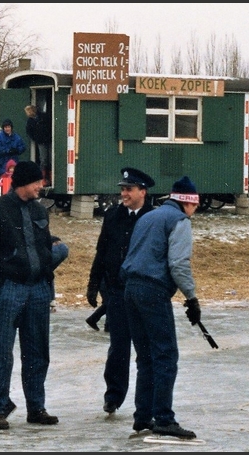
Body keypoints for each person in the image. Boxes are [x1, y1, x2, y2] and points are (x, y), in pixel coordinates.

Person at [0, 160, 58, 430]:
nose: (41, 186)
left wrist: (48, 285)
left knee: (37, 352)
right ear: (24, 182)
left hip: (37, 290)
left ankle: (36, 407)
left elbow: (45, 248)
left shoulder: (38, 209)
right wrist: (0, 284)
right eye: (38, 182)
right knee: (4, 352)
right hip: (10, 288)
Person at [120, 175, 201, 440]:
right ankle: (164, 418)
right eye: (195, 206)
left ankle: (143, 417)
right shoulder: (179, 220)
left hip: (130, 289)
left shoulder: (148, 217)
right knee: (165, 356)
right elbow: (178, 263)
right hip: (152, 291)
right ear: (187, 203)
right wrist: (191, 297)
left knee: (146, 357)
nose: (194, 211)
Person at [86, 167, 155, 414]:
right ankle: (113, 396)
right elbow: (102, 251)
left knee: (145, 348)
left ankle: (146, 402)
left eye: (129, 189)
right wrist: (93, 283)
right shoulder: (113, 215)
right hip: (116, 291)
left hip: (145, 293)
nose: (124, 193)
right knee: (118, 346)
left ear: (142, 192)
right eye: (122, 189)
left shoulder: (153, 217)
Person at [24, 105, 52, 186]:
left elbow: (50, 126)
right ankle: (42, 179)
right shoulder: (30, 121)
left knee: (50, 160)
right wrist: (36, 139)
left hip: (49, 140)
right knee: (43, 160)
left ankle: (51, 178)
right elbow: (29, 132)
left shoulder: (43, 117)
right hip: (41, 142)